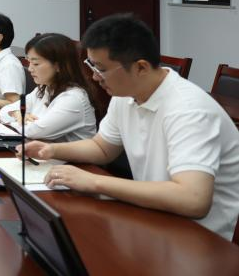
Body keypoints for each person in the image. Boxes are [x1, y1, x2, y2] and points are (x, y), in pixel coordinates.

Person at [25, 14, 239, 240]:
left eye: (101, 68)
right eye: (91, 65)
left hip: (201, 239)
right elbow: (102, 148)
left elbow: (193, 199)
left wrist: (95, 182)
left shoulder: (189, 110)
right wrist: (51, 150)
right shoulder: (125, 95)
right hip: (153, 217)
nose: (95, 77)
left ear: (141, 68)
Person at [0, 33, 97, 141]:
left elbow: (33, 132)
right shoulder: (44, 89)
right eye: (28, 62)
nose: (30, 69)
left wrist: (17, 120)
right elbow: (4, 111)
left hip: (63, 153)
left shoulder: (73, 98)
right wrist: (16, 113)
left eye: (35, 64)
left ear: (59, 66)